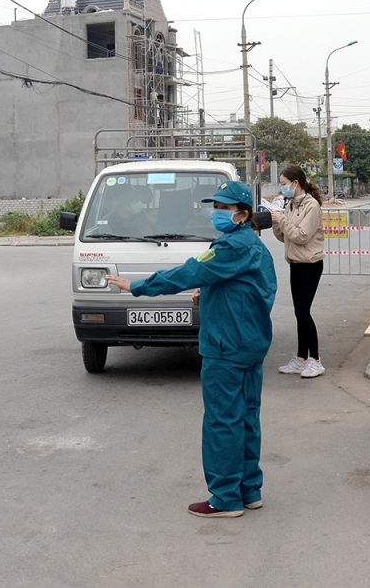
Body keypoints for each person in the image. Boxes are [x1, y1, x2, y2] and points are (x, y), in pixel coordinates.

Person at [106, 180, 277, 518]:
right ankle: (248, 490)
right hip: (249, 344)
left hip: (226, 346)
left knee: (221, 422)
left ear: (242, 214)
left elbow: (190, 272)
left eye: (223, 209)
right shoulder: (253, 246)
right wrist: (210, 293)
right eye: (215, 207)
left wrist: (139, 286)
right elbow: (255, 291)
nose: (216, 213)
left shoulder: (230, 247)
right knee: (245, 418)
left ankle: (225, 498)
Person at [270, 165, 326, 379]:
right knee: (298, 312)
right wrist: (275, 220)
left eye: (284, 184)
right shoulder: (291, 204)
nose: (282, 188)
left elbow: (302, 236)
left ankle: (316, 359)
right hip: (295, 262)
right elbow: (284, 237)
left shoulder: (311, 205)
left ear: (296, 183)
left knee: (303, 312)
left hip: (311, 264)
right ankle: (301, 358)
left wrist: (281, 220)